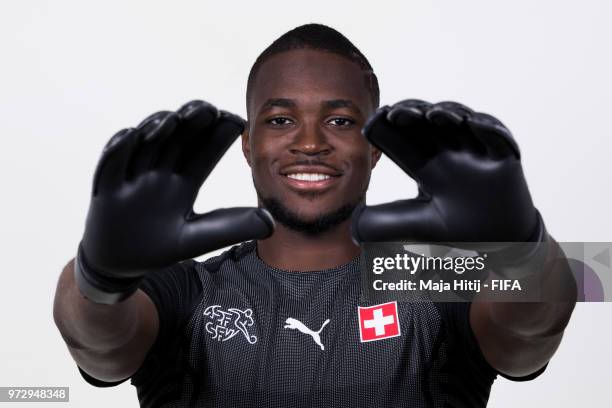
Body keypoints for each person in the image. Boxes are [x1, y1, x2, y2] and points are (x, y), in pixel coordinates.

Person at [53, 24, 577, 407]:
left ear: (375, 146)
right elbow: (98, 348)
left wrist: (523, 250)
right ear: (248, 143)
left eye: (341, 119)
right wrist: (97, 278)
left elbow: (533, 336)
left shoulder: (436, 272)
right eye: (281, 119)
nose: (309, 142)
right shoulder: (185, 285)